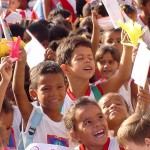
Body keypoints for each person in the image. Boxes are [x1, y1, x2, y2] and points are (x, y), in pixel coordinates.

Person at [56, 35, 133, 114]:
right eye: (80, 58)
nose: (87, 61)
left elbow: (122, 75)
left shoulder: (100, 90)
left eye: (90, 58)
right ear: (65, 69)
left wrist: (128, 46)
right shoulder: (59, 100)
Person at [12, 48, 69, 149]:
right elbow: (18, 91)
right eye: (46, 89)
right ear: (34, 94)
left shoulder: (71, 124)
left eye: (59, 87)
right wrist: (21, 63)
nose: (54, 93)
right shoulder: (32, 116)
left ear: (66, 88)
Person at [95, 45, 137, 113]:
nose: (106, 66)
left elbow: (125, 71)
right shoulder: (98, 87)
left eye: (111, 62)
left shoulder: (125, 80)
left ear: (118, 65)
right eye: (102, 62)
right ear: (96, 65)